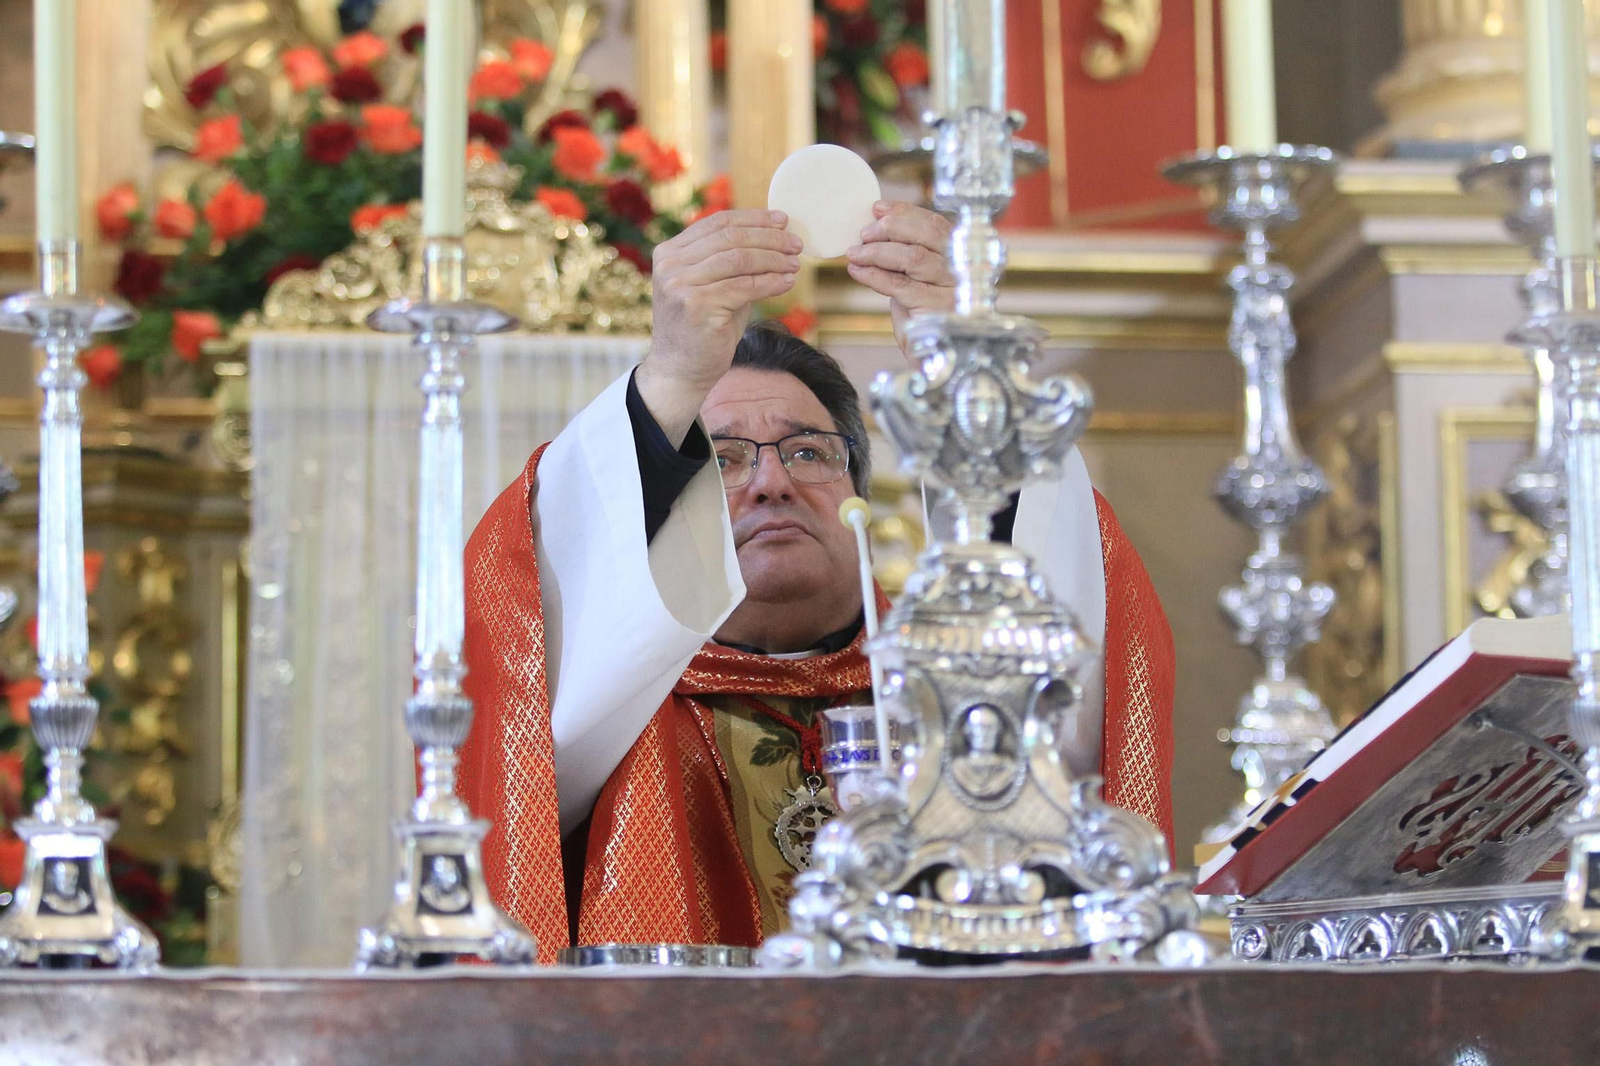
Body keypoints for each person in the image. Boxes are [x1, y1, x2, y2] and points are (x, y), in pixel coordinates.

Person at [458, 202, 1175, 962]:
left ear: (862, 493)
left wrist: (975, 378)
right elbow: (518, 627)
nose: (770, 482)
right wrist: (670, 377)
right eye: (724, 459)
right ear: (667, 506)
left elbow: (1076, 625)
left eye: (807, 453)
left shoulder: (952, 690)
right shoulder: (606, 704)